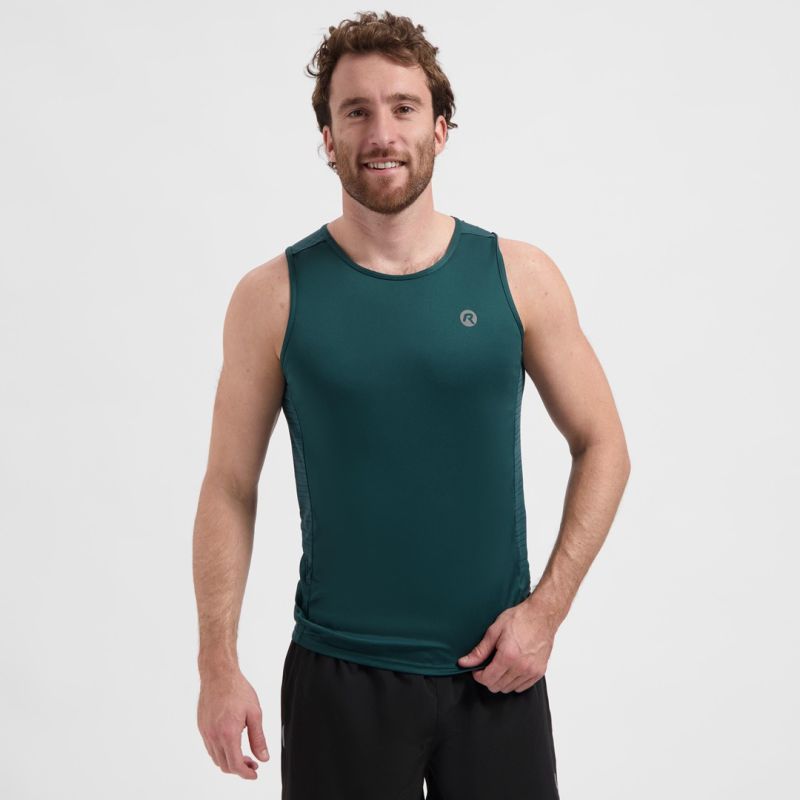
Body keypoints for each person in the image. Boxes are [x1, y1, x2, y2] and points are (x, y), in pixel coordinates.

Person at [193, 10, 630, 799]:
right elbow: (228, 486)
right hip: (340, 679)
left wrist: (546, 613)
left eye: (403, 107)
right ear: (328, 138)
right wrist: (217, 666)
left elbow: (604, 444)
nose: (382, 133)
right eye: (356, 111)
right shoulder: (272, 298)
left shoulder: (519, 277)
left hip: (496, 673)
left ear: (441, 127)